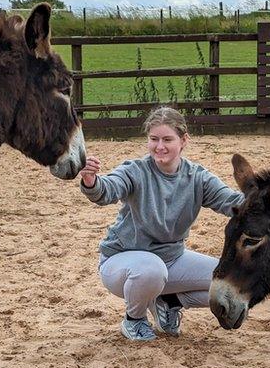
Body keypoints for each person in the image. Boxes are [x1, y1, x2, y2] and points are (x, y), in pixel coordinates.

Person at [79, 107, 244, 341]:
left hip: (171, 259)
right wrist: (91, 180)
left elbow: (233, 202)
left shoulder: (197, 177)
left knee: (233, 281)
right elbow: (106, 191)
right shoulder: (135, 171)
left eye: (167, 139)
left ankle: (169, 302)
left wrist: (268, 198)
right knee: (151, 269)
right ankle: (134, 320)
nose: (159, 147)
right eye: (154, 139)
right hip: (122, 263)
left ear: (184, 140)